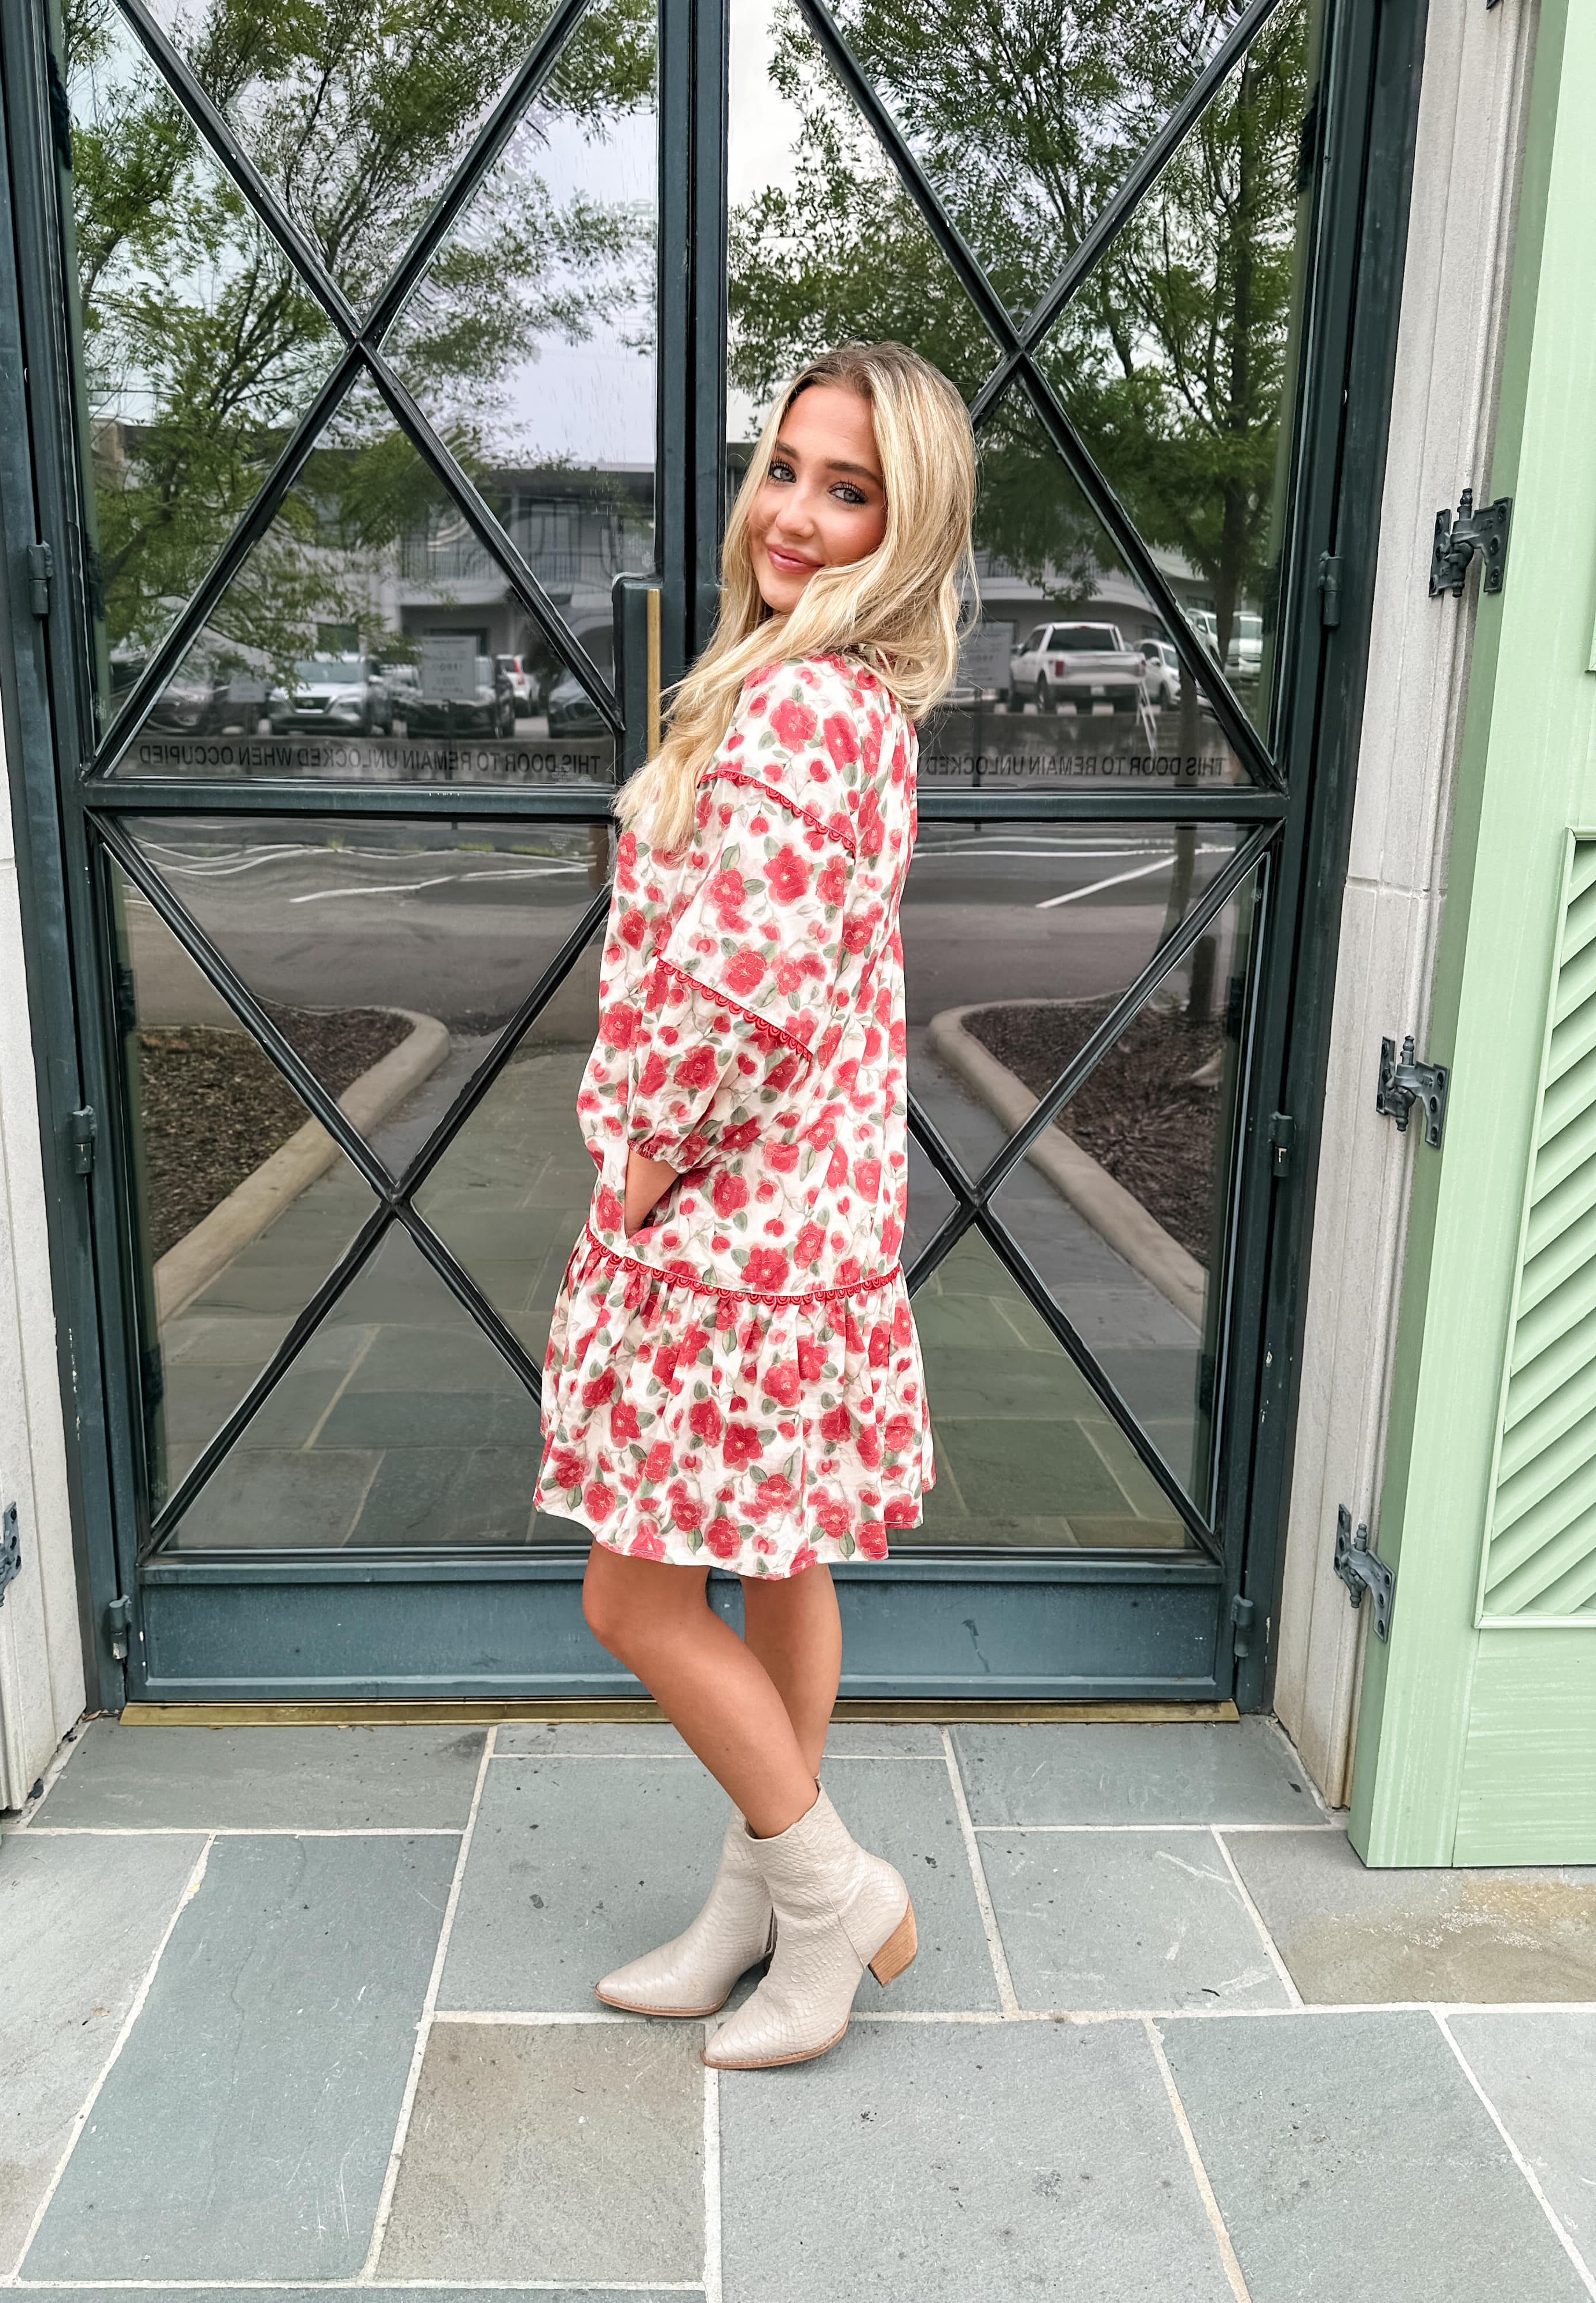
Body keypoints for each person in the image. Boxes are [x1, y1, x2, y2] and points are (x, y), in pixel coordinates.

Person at [535, 343, 977, 2070]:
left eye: (846, 487)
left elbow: (742, 993)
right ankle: (752, 1906)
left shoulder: (800, 703)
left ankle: (829, 1896)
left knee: (634, 1601)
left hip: (730, 1232)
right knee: (778, 1560)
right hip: (810, 1224)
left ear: (907, 521)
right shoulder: (842, 690)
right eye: (787, 466)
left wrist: (639, 1168)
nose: (794, 510)